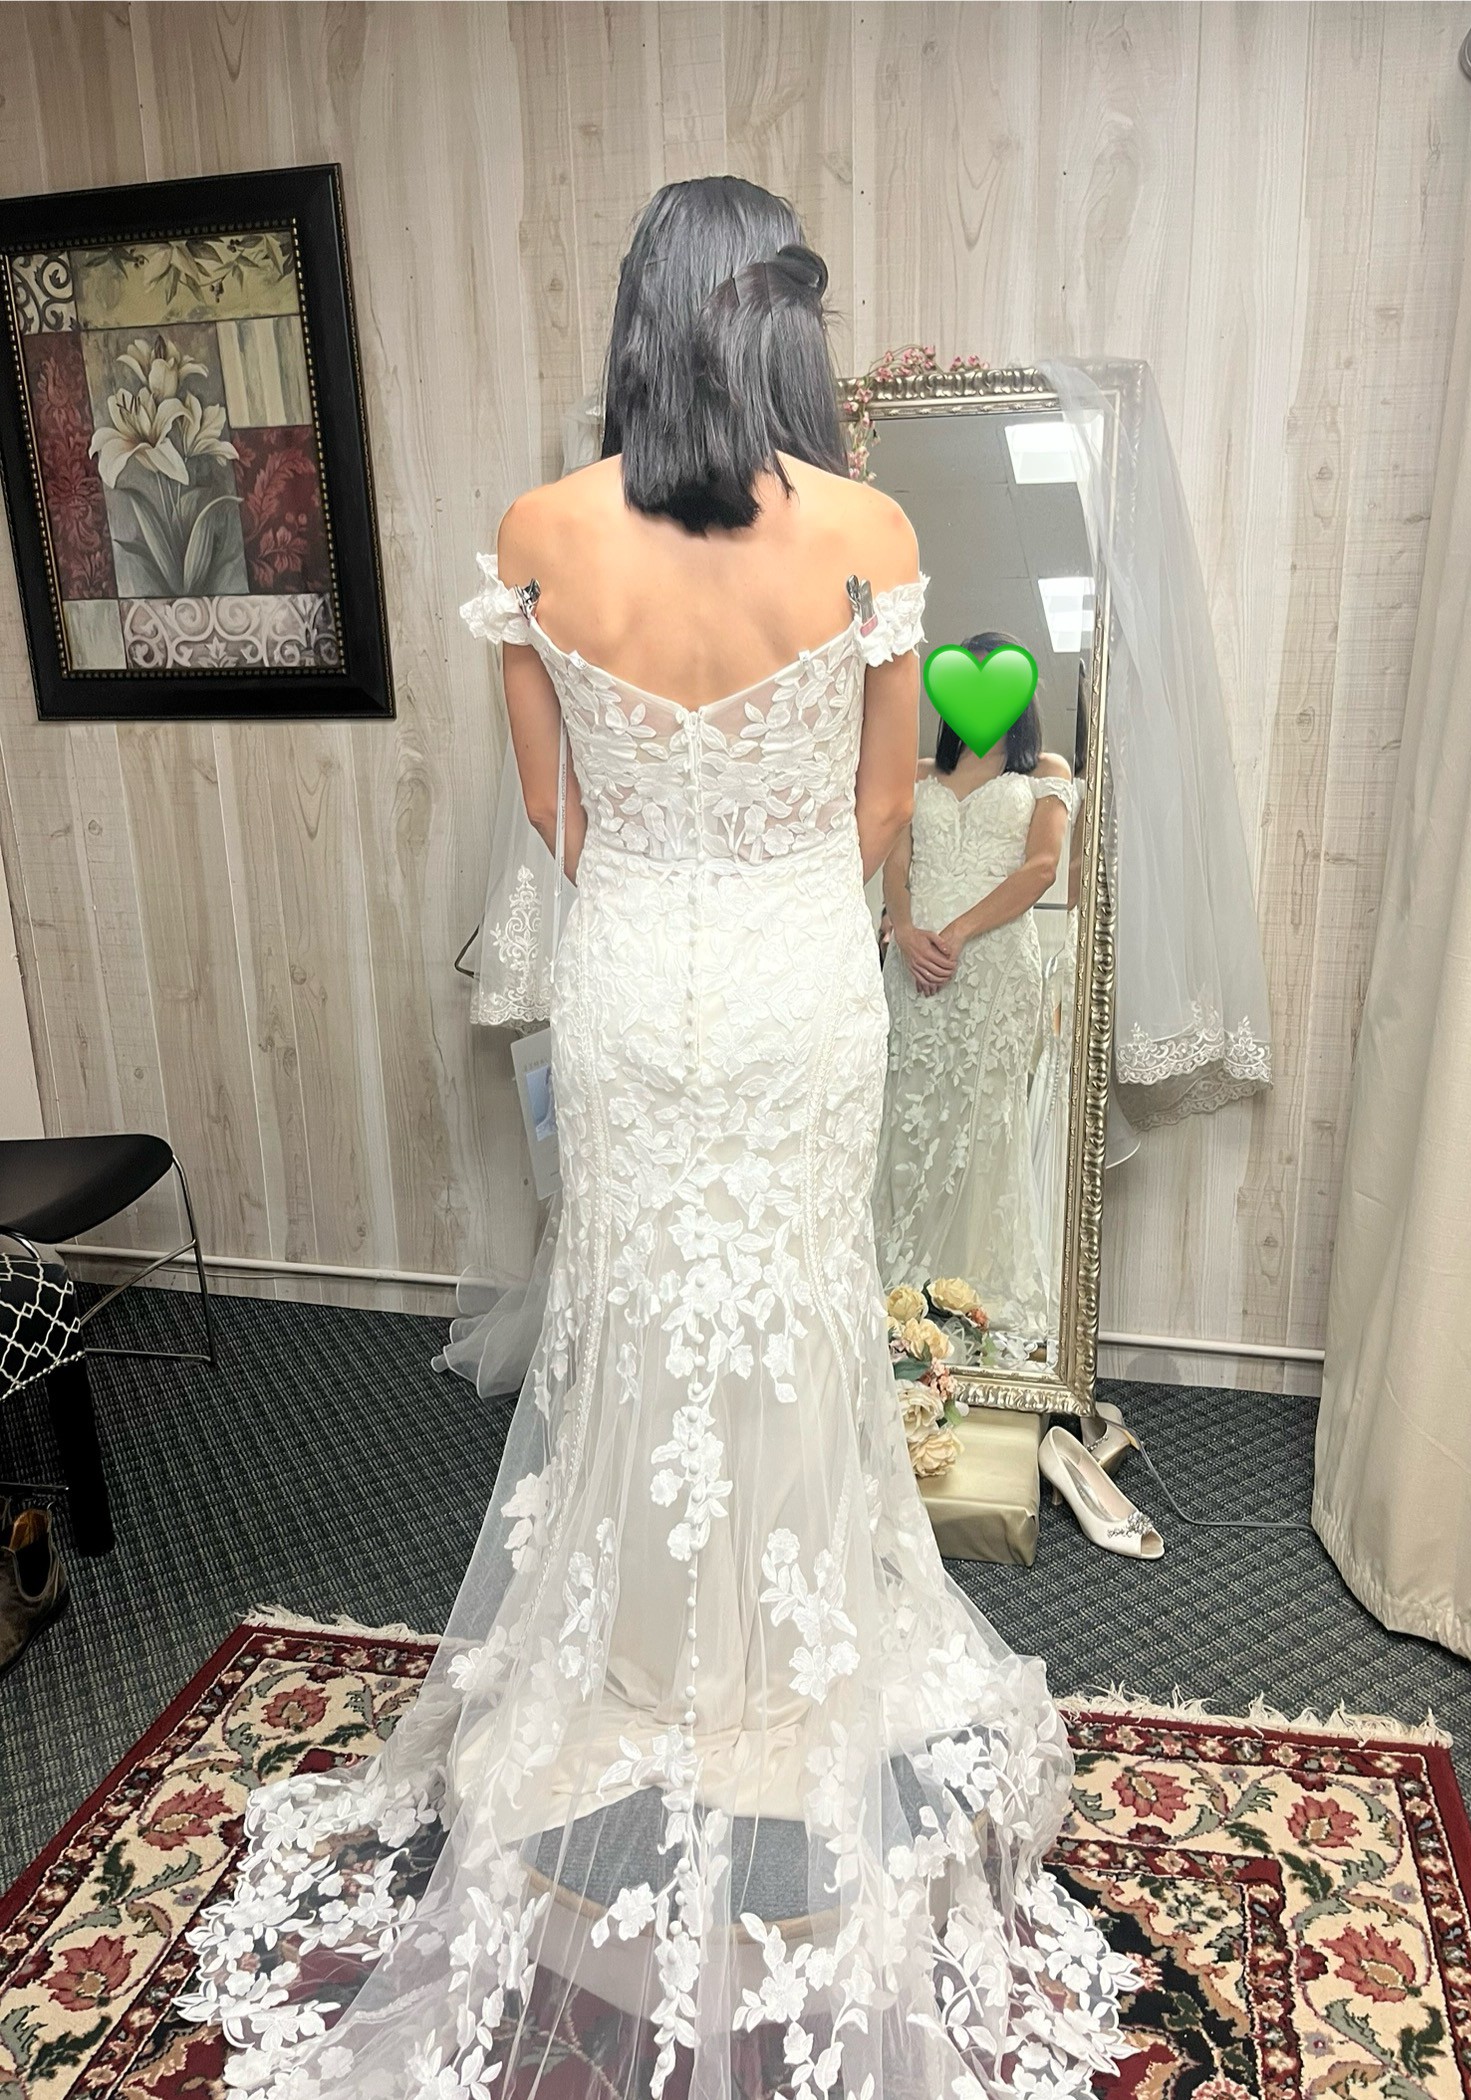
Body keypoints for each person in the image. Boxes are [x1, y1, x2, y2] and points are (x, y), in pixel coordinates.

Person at [180, 176, 1133, 2100]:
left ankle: (648, 1652)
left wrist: (662, 892)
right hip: (794, 978)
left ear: (637, 321)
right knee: (787, 1295)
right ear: (783, 328)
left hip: (628, 976)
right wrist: (768, 901)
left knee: (633, 1295)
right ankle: (776, 1655)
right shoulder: (864, 528)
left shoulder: (539, 530)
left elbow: (554, 810)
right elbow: (885, 807)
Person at [874, 645, 1076, 1334]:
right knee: (908, 1109)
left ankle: (973, 1296)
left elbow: (1042, 867)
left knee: (985, 1118)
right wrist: (905, 931)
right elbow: (895, 867)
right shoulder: (917, 775)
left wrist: (957, 931)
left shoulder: (1045, 773)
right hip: (913, 965)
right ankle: (902, 1298)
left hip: (992, 966)